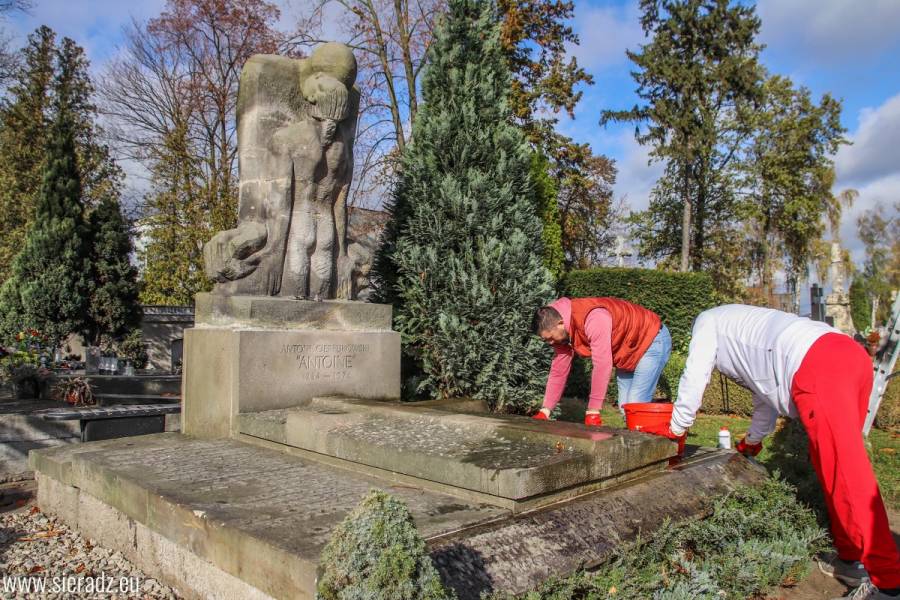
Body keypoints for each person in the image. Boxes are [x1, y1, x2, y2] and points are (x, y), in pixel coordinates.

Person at [641, 304, 900, 600]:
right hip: (848, 354)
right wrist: (753, 440)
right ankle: (849, 558)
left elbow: (694, 375)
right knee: (831, 464)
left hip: (820, 364)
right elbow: (763, 391)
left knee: (847, 470)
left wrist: (676, 429)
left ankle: (887, 582)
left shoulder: (706, 324)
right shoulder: (743, 327)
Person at [531, 297, 671, 426]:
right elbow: (558, 372)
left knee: (635, 405)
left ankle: (666, 433)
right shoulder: (561, 334)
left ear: (560, 323)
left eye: (550, 338)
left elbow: (602, 365)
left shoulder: (594, 318)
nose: (550, 343)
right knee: (626, 409)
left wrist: (593, 410)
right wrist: (546, 410)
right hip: (627, 351)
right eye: (546, 340)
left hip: (652, 340)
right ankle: (653, 433)